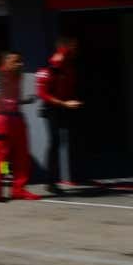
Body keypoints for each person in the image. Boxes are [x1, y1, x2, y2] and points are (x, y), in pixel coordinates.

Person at [0, 52, 39, 201]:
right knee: (1, 157)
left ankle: (18, 190)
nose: (20, 64)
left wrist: (21, 101)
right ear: (6, 61)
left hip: (15, 118)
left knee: (21, 156)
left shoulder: (16, 76)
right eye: (16, 61)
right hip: (1, 120)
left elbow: (8, 99)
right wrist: (17, 102)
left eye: (20, 61)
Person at [38, 37, 85, 194]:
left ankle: (74, 175)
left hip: (66, 106)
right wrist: (65, 104)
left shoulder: (69, 68)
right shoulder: (52, 67)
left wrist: (71, 102)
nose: (75, 50)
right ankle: (50, 181)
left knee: (69, 139)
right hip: (53, 108)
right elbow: (43, 94)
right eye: (72, 47)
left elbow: (69, 87)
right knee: (55, 142)